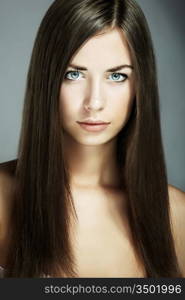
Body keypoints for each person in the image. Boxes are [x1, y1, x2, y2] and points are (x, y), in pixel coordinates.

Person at [0, 0, 185, 278]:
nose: (94, 102)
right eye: (73, 74)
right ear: (47, 79)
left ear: (140, 86)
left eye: (117, 76)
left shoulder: (175, 215)